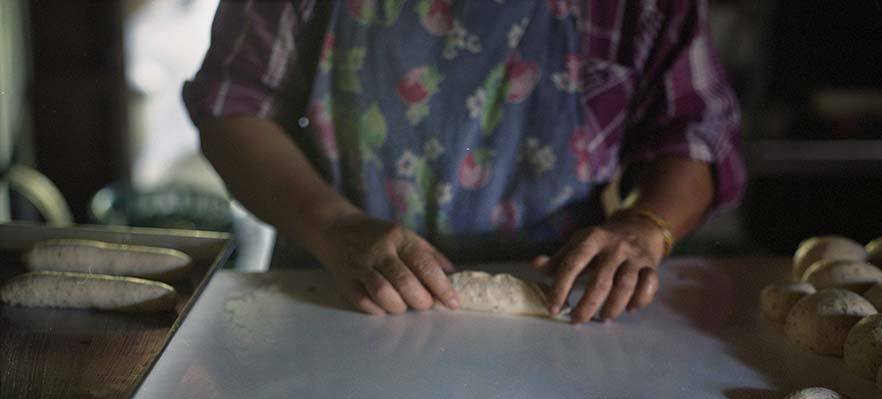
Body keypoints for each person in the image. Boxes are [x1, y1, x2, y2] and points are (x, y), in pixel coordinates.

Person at [184, 0, 745, 323]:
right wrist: (335, 226)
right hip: (339, 284)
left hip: (560, 298)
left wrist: (644, 226)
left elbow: (695, 132)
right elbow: (234, 109)